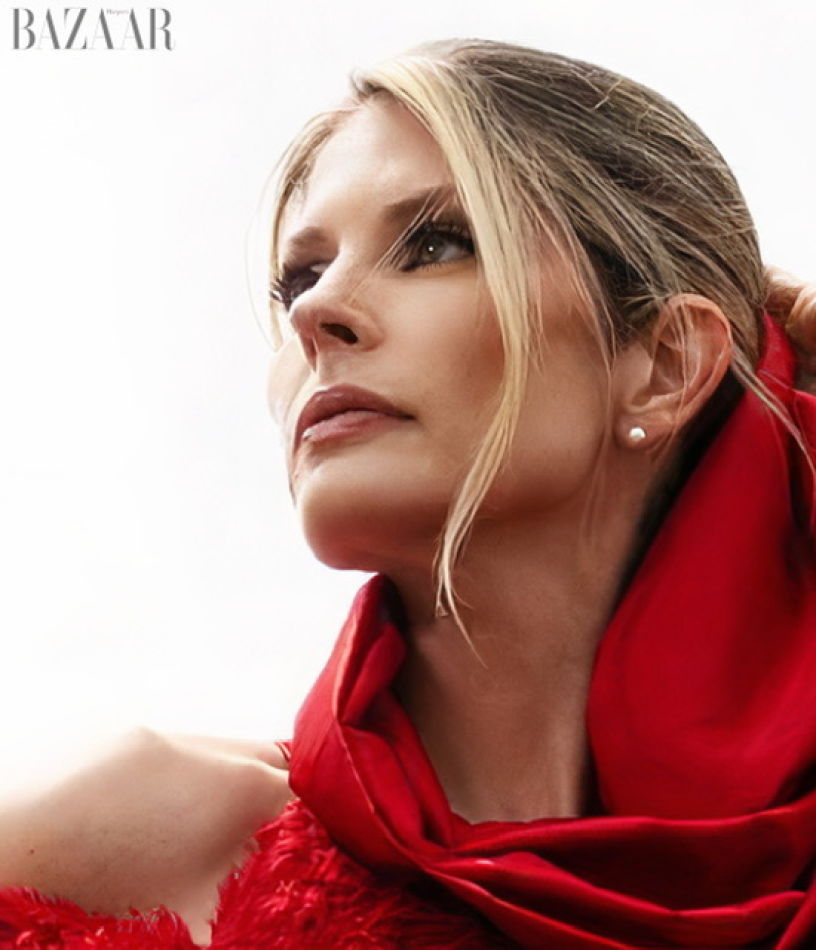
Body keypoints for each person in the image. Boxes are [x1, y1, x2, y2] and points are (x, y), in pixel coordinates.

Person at [1, 37, 815, 949]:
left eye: (435, 245)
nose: (314, 314)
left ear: (665, 366)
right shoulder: (127, 839)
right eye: (301, 276)